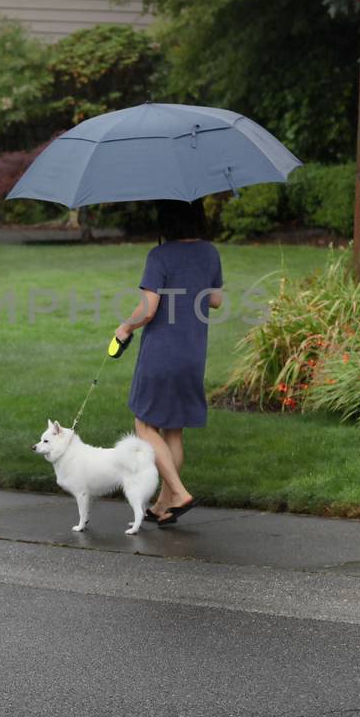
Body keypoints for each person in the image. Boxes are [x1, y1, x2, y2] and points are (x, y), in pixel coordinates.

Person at [112, 199, 223, 525]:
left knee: (145, 424)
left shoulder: (159, 256)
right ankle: (164, 504)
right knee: (173, 430)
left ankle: (178, 491)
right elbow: (215, 300)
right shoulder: (210, 252)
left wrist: (125, 327)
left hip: (162, 354)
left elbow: (149, 309)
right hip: (192, 353)